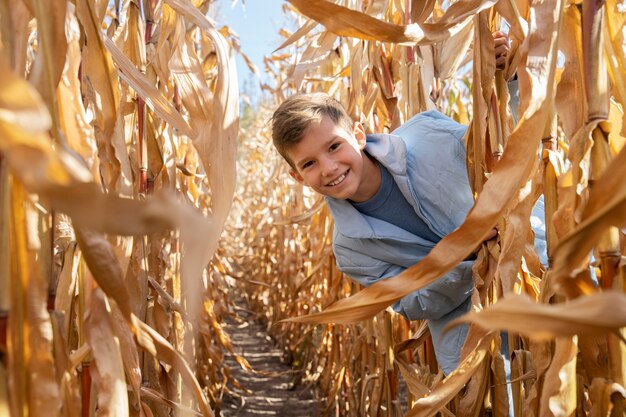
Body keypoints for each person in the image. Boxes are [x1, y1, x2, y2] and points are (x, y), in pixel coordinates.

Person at [270, 32, 545, 376]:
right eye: (308, 164)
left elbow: (512, 145)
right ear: (298, 177)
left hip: (545, 281)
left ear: (358, 134)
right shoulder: (351, 250)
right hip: (479, 351)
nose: (328, 168)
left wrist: (511, 79)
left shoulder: (427, 134)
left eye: (334, 147)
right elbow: (415, 303)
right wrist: (461, 253)